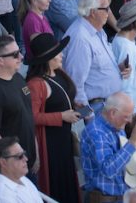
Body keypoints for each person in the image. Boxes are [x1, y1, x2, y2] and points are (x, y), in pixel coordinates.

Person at [25, 33, 81, 202]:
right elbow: (32, 117)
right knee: (56, 182)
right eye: (58, 53)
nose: (62, 55)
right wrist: (61, 116)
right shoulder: (35, 83)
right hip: (49, 142)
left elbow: (64, 96)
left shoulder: (58, 73)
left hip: (63, 139)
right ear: (47, 57)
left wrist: (74, 106)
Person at [0, 35, 37, 180]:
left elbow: (28, 117)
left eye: (19, 52)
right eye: (15, 54)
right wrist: (14, 164)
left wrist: (36, 155)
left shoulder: (17, 77)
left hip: (26, 162)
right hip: (10, 170)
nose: (21, 57)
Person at [64, 0, 125, 107]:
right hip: (98, 106)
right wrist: (89, 116)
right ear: (92, 12)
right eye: (106, 8)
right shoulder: (80, 38)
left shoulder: (99, 30)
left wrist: (118, 69)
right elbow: (75, 82)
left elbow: (97, 66)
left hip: (109, 103)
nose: (109, 12)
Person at [0, 136, 42, 203]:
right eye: (20, 156)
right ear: (3, 162)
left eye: (24, 154)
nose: (26, 159)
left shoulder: (21, 178)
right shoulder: (2, 197)